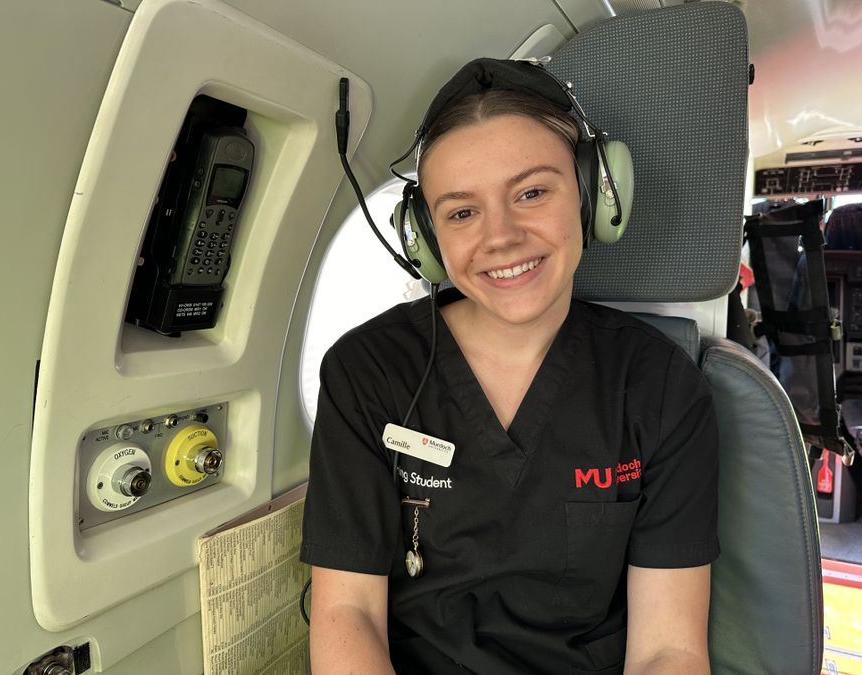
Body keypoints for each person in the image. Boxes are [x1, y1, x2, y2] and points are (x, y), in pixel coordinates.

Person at [300, 58, 719, 674]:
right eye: (462, 212)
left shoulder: (660, 386)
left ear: (594, 195)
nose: (501, 237)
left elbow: (669, 649)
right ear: (424, 235)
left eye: (531, 193)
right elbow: (348, 615)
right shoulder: (366, 372)